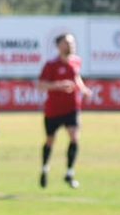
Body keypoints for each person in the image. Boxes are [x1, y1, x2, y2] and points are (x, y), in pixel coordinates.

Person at [38, 32, 89, 189]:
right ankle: (45, 168)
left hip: (71, 107)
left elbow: (76, 77)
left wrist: (83, 89)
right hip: (53, 109)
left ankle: (69, 172)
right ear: (59, 45)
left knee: (74, 137)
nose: (71, 45)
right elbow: (41, 84)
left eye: (72, 42)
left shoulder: (76, 61)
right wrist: (58, 85)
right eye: (67, 42)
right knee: (50, 140)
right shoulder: (51, 64)